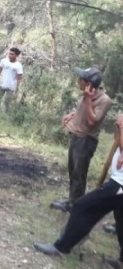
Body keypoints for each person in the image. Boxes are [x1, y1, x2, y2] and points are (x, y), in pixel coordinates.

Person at [35, 112, 123, 269]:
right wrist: (119, 126)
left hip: (119, 185)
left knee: (82, 207)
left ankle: (61, 247)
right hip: (118, 181)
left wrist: (122, 127)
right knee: (121, 221)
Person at [48, 67, 114, 212]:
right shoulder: (87, 94)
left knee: (79, 173)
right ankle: (72, 200)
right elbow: (83, 109)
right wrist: (73, 114)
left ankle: (75, 206)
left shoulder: (104, 100)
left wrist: (88, 99)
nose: (78, 81)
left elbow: (92, 121)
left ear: (88, 83)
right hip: (77, 136)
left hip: (86, 140)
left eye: (81, 79)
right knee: (73, 170)